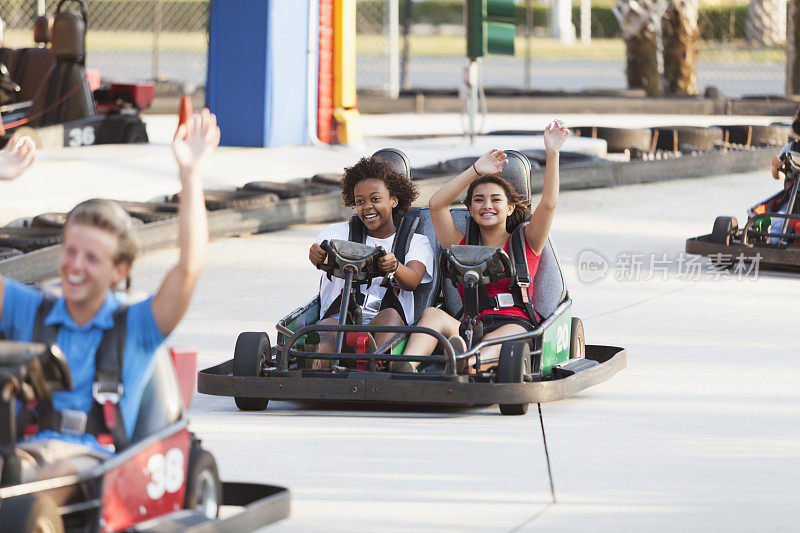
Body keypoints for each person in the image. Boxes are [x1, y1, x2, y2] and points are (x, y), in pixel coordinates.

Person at [0, 109, 220, 454]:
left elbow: (189, 267)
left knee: (52, 467)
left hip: (93, 471)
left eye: (91, 258)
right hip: (22, 464)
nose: (75, 266)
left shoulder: (136, 326)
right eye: (71, 252)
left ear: (119, 271)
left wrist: (190, 175)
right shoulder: (29, 308)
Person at [404, 119, 570, 369]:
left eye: (495, 199)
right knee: (431, 315)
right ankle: (406, 368)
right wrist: (476, 170)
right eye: (479, 200)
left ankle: (467, 364)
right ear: (470, 209)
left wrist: (552, 153)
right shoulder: (459, 244)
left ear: (509, 208)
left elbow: (548, 203)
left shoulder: (527, 241)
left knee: (493, 340)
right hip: (471, 324)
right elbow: (437, 204)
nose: (487, 205)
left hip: (514, 324)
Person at [308, 156, 434, 368]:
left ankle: (375, 364)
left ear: (393, 200)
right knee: (328, 330)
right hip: (340, 316)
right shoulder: (338, 233)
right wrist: (318, 256)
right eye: (360, 201)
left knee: (390, 319)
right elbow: (324, 253)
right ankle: (319, 367)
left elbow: (412, 281)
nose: (367, 207)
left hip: (384, 317)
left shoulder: (416, 241)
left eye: (375, 199)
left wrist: (395, 267)